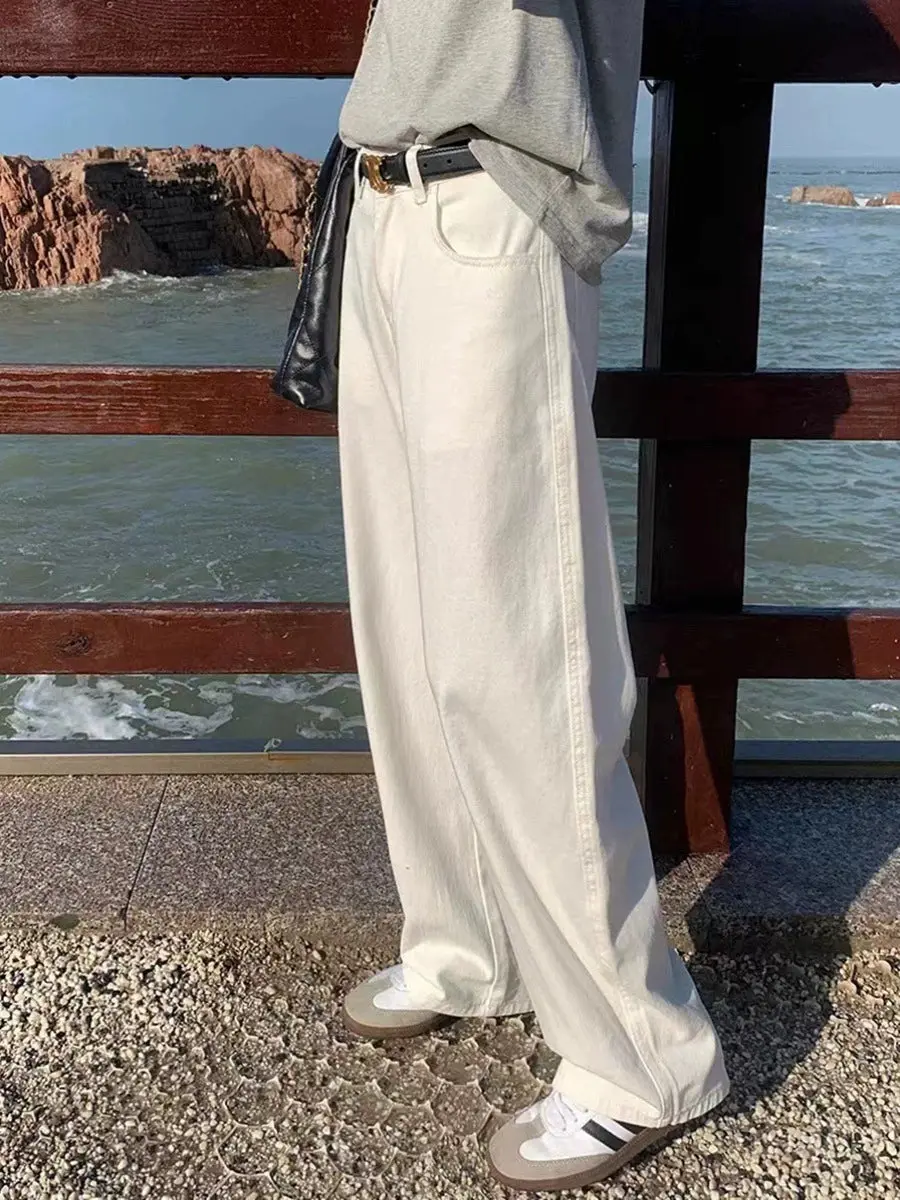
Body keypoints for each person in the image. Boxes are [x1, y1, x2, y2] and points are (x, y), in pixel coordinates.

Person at [334, 0, 730, 1190]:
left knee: (515, 648)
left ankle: (640, 1055)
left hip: (494, 197)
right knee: (408, 625)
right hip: (382, 194)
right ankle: (471, 945)